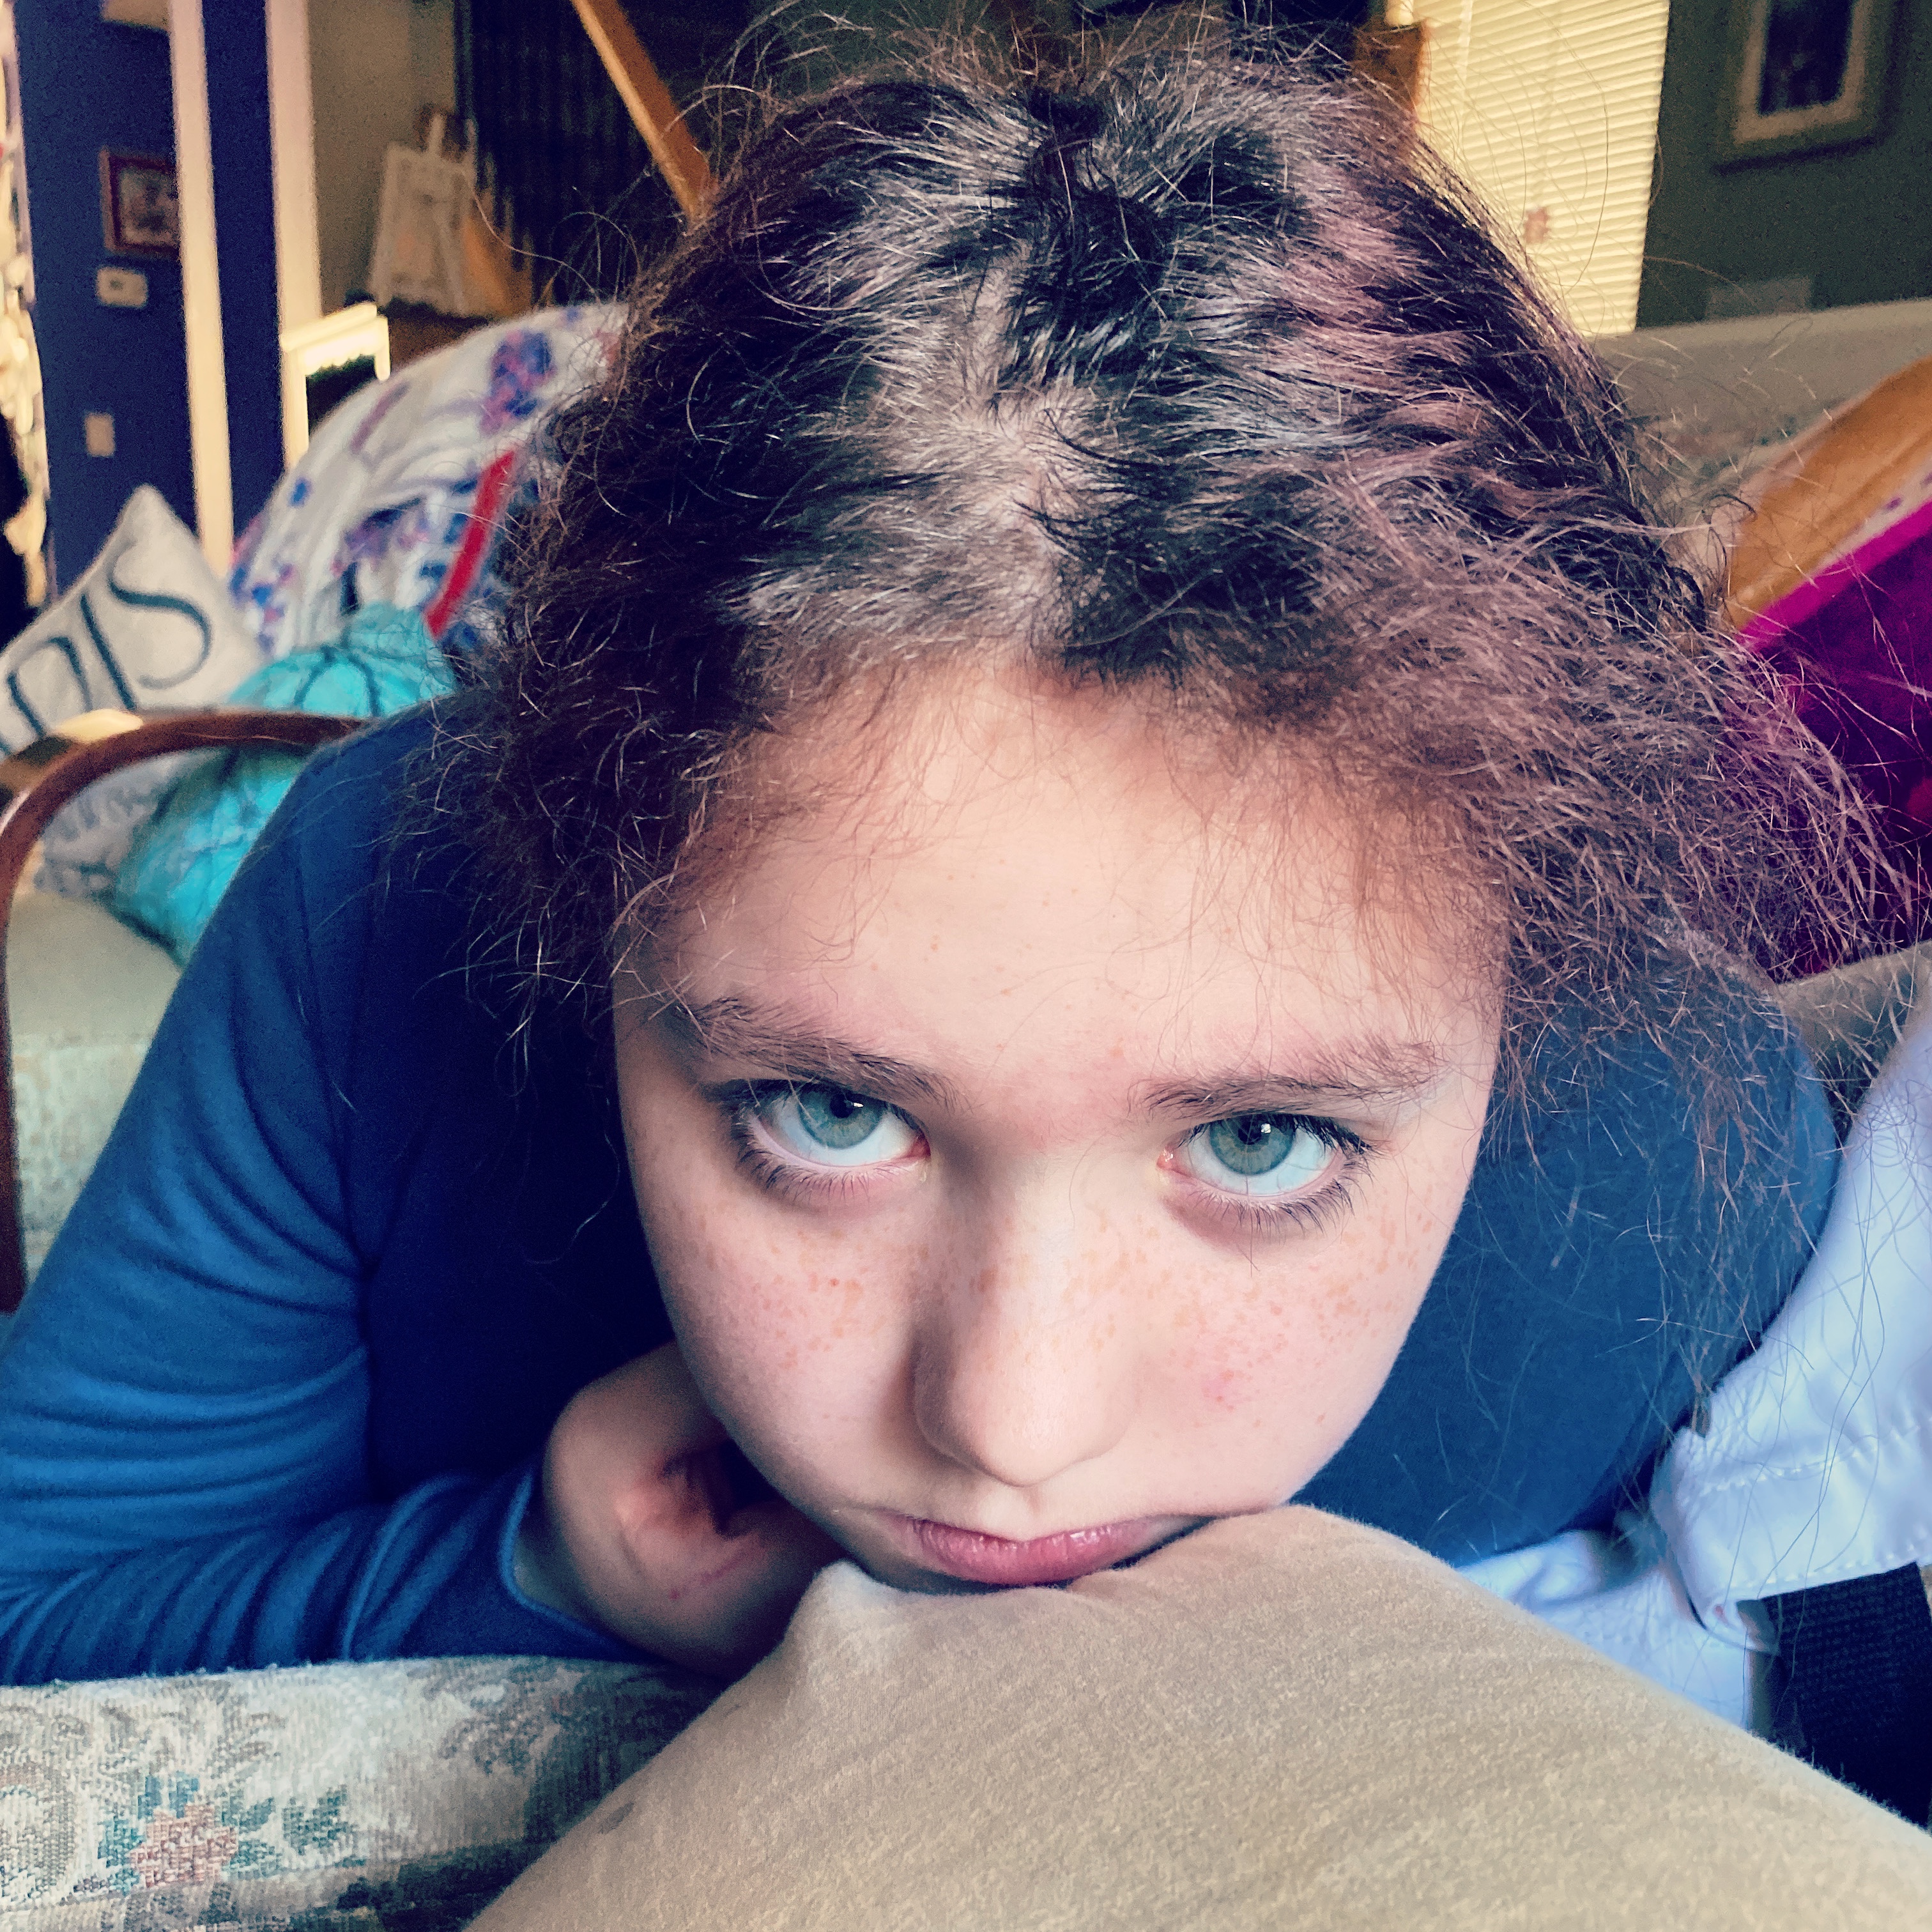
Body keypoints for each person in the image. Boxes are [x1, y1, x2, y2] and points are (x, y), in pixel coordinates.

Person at [0, 41, 1883, 1706]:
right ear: (591, 905)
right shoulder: (378, 898)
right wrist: (532, 1567)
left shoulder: (1675, 1183)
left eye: (1260, 1143)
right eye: (826, 1112)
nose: (1009, 1433)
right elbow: (33, 1621)